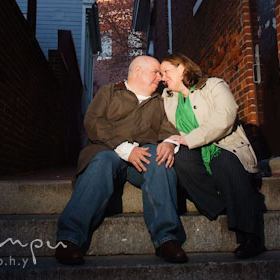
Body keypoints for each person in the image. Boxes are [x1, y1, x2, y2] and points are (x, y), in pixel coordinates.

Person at [55, 55, 187, 265]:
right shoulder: (110, 92)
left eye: (162, 74)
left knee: (160, 159)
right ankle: (69, 238)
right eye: (156, 72)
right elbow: (93, 122)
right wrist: (124, 148)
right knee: (103, 161)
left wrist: (170, 143)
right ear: (137, 72)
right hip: (109, 151)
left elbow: (169, 130)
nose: (161, 78)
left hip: (143, 157)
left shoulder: (160, 101)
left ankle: (167, 239)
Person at [160, 52, 266, 259]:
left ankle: (250, 236)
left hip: (222, 143)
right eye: (162, 74)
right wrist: (170, 142)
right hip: (191, 149)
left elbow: (226, 115)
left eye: (166, 71)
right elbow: (164, 126)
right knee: (179, 160)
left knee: (223, 162)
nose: (163, 78)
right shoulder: (167, 97)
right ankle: (224, 205)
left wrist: (193, 138)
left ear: (182, 68)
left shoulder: (213, 85)